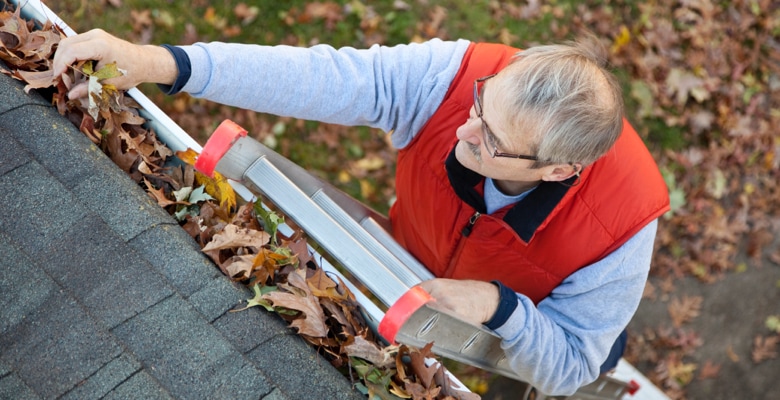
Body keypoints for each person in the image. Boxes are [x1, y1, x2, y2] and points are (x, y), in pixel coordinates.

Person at [53, 29, 669, 396]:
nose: (463, 130)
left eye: (492, 143)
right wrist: (165, 63)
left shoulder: (622, 227)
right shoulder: (460, 79)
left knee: (578, 371)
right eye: (481, 105)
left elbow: (569, 363)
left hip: (520, 313)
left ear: (557, 171)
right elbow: (322, 77)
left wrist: (499, 307)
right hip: (410, 256)